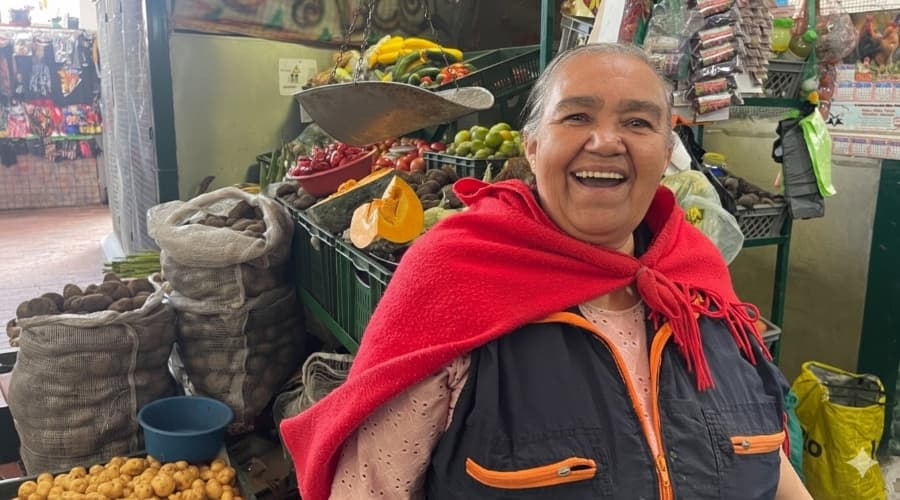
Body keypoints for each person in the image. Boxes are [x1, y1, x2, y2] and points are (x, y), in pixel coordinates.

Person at [280, 43, 813, 500]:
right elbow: (370, 486)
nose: (606, 141)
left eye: (637, 121)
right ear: (532, 148)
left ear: (666, 152)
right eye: (577, 116)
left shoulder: (695, 280)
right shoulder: (453, 275)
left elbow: (766, 454)